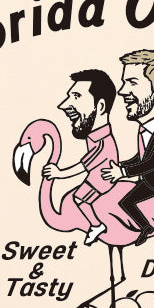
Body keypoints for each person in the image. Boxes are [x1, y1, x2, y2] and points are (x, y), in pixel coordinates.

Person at [102, 48, 154, 247]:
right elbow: (141, 156)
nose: (122, 91)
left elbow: (152, 162)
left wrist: (123, 172)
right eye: (124, 82)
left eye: (132, 82)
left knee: (126, 202)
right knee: (121, 200)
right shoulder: (144, 128)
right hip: (147, 178)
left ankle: (146, 227)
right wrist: (121, 165)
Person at [42, 69, 119, 246]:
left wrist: (59, 173)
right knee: (77, 198)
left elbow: (83, 166)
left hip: (102, 180)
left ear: (100, 107)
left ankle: (97, 225)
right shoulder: (95, 137)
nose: (63, 105)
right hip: (96, 177)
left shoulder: (102, 144)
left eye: (76, 96)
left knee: (79, 198)